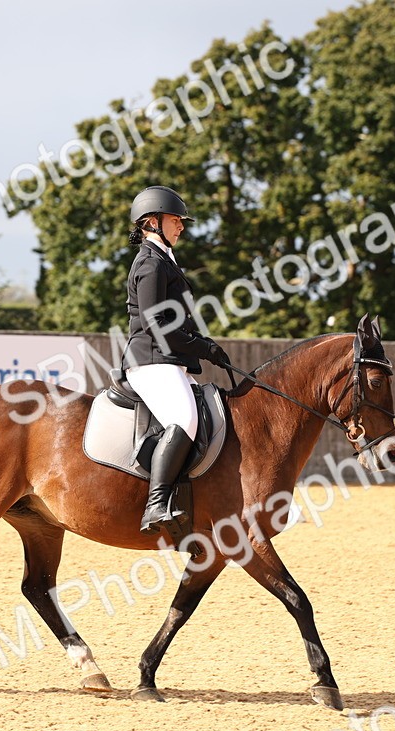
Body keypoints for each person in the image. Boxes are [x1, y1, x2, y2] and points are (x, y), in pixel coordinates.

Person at [122, 186, 231, 535]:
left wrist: (203, 345)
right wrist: (203, 347)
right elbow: (158, 327)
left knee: (210, 417)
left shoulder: (165, 260)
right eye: (175, 220)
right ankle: (155, 505)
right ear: (152, 222)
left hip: (167, 362)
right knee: (184, 418)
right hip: (151, 362)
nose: (182, 226)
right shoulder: (150, 264)